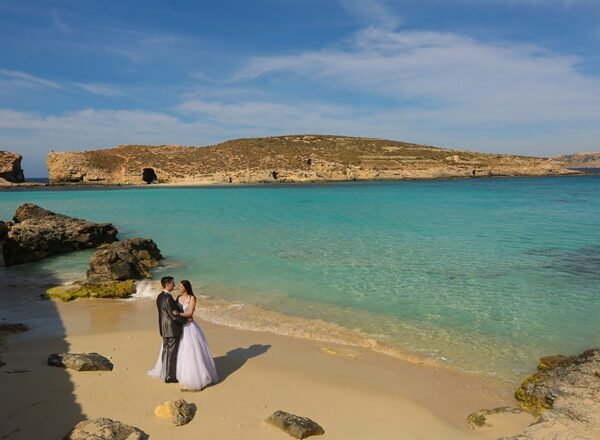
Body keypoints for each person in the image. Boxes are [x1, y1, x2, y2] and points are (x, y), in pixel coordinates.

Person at [172, 279, 219, 390]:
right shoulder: (178, 298)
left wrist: (178, 314)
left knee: (192, 349)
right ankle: (181, 374)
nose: (179, 288)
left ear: (186, 287)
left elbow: (190, 313)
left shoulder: (192, 298)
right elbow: (173, 309)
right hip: (181, 325)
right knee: (181, 349)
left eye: (180, 286)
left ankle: (196, 376)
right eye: (179, 286)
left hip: (190, 326)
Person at [148, 276, 188, 383]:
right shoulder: (168, 298)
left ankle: (164, 372)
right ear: (167, 284)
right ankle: (169, 376)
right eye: (172, 283)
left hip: (164, 328)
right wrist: (185, 320)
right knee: (171, 353)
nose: (174, 285)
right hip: (172, 329)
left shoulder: (159, 296)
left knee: (165, 352)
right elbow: (173, 316)